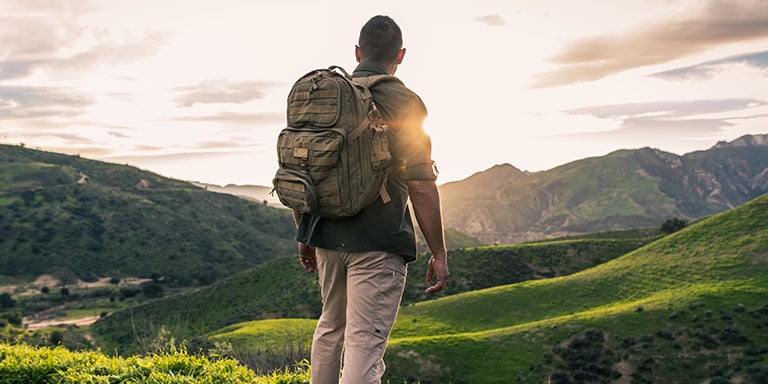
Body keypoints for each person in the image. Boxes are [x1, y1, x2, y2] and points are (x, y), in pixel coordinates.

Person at [293, 15, 449, 384]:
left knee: (331, 329)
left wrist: (303, 230)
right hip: (377, 241)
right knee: (364, 341)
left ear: (358, 52)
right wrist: (438, 253)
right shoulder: (403, 101)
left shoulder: (326, 95)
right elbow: (421, 185)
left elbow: (301, 167)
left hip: (326, 234)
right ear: (401, 56)